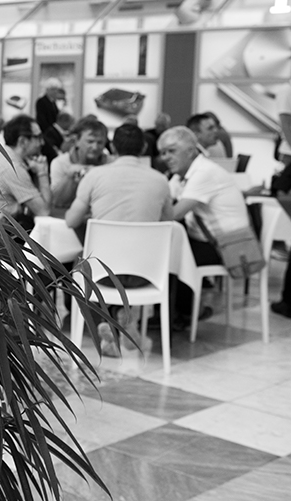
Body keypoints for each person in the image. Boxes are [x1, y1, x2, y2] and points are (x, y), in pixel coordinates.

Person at [64, 123, 173, 355]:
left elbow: (71, 221)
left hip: (102, 275)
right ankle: (125, 319)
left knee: (84, 261)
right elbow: (168, 221)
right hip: (145, 274)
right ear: (143, 148)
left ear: (112, 147)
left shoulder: (95, 176)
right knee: (132, 256)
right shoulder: (160, 181)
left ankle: (106, 327)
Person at [158, 126, 251, 329]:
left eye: (171, 151)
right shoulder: (181, 175)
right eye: (163, 152)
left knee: (170, 254)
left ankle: (183, 313)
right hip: (208, 240)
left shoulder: (204, 173)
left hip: (228, 246)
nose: (165, 157)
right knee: (168, 249)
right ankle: (172, 312)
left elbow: (173, 214)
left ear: (191, 151)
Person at [0, 114, 51, 227]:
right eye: (38, 137)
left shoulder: (2, 156)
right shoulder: (13, 169)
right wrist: (42, 173)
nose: (42, 143)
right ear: (22, 141)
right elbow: (44, 211)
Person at [49, 117, 109, 210]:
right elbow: (56, 201)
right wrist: (69, 177)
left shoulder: (111, 163)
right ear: (77, 141)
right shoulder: (60, 163)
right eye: (90, 141)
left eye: (100, 142)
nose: (95, 147)